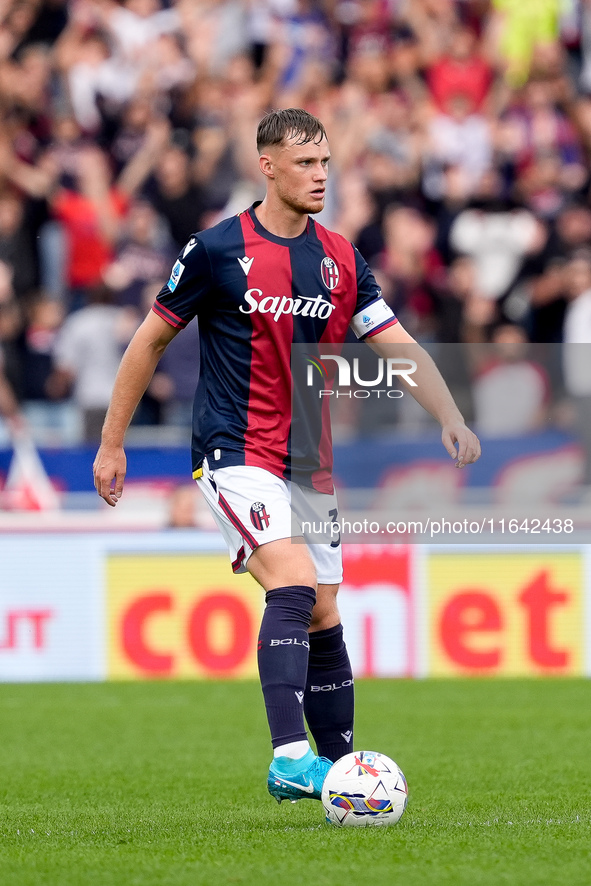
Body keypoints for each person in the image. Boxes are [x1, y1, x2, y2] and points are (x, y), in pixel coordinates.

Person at [93, 108, 481, 805]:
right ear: (266, 166)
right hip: (233, 449)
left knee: (325, 611)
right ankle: (287, 756)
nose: (320, 175)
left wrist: (449, 413)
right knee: (294, 583)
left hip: (310, 461)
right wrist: (112, 441)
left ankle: (340, 775)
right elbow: (149, 340)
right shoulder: (215, 250)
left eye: (326, 163)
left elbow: (393, 343)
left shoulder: (339, 258)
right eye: (305, 164)